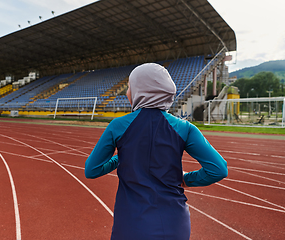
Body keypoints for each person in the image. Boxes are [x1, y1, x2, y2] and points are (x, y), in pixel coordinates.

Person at [85, 63, 228, 240]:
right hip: (174, 223)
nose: (127, 93)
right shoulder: (185, 128)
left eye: (129, 87)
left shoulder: (118, 126)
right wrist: (186, 179)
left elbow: (92, 170)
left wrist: (117, 159)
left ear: (140, 90)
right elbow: (218, 169)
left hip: (131, 223)